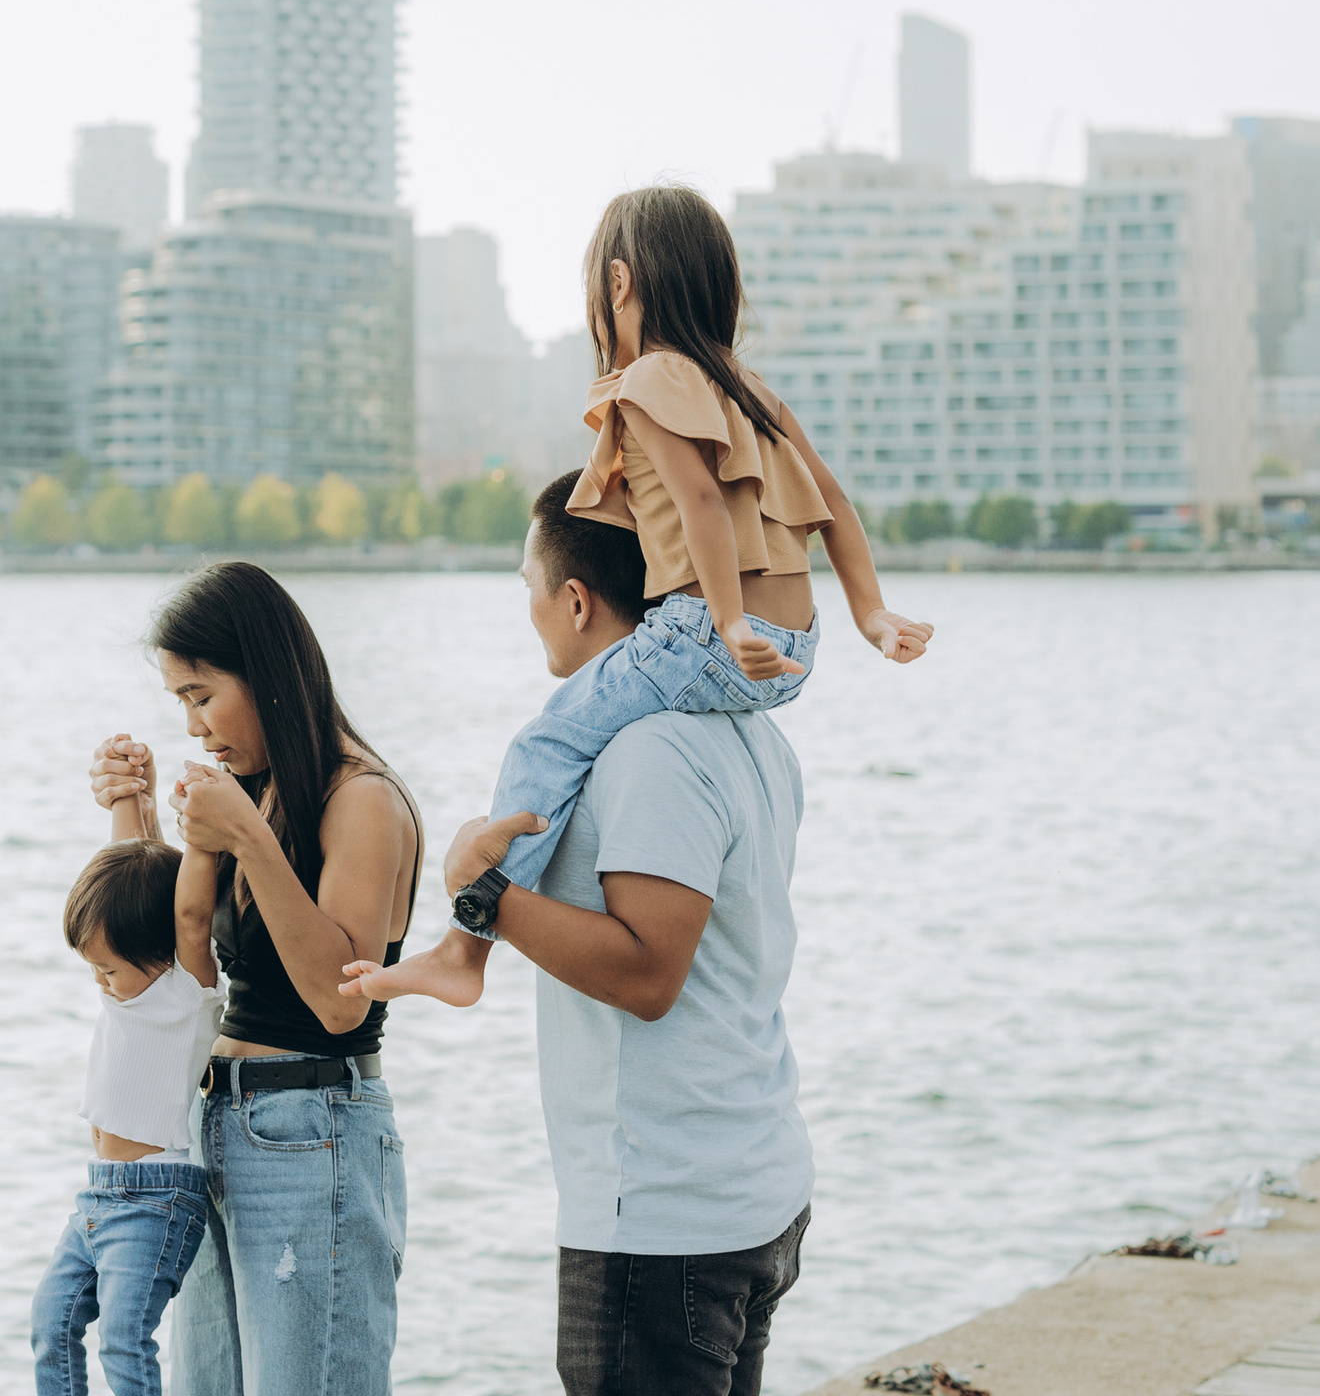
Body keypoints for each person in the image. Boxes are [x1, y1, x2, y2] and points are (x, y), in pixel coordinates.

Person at [343, 476, 816, 1396]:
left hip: (661, 1208)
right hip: (738, 1177)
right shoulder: (740, 727)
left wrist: (483, 895)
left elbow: (646, 965)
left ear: (575, 603)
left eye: (530, 595)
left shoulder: (661, 748)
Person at [375, 181, 926, 1010]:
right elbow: (835, 505)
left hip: (709, 632)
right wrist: (870, 616)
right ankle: (466, 951)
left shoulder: (650, 382)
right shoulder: (749, 389)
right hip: (795, 653)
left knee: (544, 744)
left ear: (620, 285)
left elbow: (702, 502)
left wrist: (728, 617)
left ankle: (463, 950)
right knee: (578, 730)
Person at [95, 562, 423, 1396]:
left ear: (263, 667)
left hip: (319, 1136)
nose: (195, 724)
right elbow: (184, 974)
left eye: (204, 693)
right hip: (226, 1134)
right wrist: (142, 828)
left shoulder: (363, 801)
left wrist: (242, 826)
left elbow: (341, 992)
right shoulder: (256, 797)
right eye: (177, 703)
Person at [9, 833, 219, 1396]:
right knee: (52, 1316)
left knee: (125, 1333)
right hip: (97, 1195)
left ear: (159, 954)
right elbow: (130, 868)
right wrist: (128, 794)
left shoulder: (185, 992)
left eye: (109, 968)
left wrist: (205, 836)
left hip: (159, 1198)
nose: (101, 982)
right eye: (92, 969)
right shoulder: (125, 993)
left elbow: (187, 914)